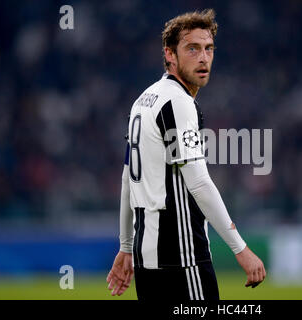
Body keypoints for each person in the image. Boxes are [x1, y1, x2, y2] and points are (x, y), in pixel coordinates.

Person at [106, 9, 265, 301]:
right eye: (192, 48)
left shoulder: (143, 100)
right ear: (169, 54)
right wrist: (240, 249)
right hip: (181, 256)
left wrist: (127, 246)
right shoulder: (177, 103)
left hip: (147, 259)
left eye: (208, 48)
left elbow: (128, 179)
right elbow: (199, 184)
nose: (203, 57)